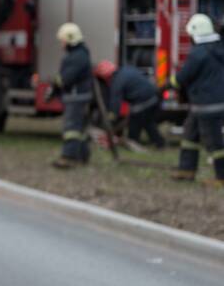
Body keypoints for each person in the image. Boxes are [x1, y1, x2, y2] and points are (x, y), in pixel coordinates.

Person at [170, 13, 224, 187]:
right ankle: (186, 170)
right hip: (208, 104)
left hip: (207, 105)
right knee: (190, 135)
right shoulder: (219, 48)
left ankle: (221, 178)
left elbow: (183, 77)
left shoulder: (198, 54)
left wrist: (170, 82)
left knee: (215, 144)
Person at [94, 60, 165, 148]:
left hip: (143, 101)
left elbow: (115, 104)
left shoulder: (117, 82)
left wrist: (111, 120)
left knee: (134, 122)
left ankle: (133, 142)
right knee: (147, 122)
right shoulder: (125, 70)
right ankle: (160, 143)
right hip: (154, 98)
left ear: (106, 76)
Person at [52, 23, 93, 169]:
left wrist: (56, 83)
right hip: (79, 96)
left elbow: (66, 78)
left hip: (76, 97)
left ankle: (68, 158)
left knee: (71, 129)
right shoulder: (80, 54)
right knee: (79, 130)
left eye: (62, 40)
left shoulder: (77, 57)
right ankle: (83, 156)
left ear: (70, 39)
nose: (61, 44)